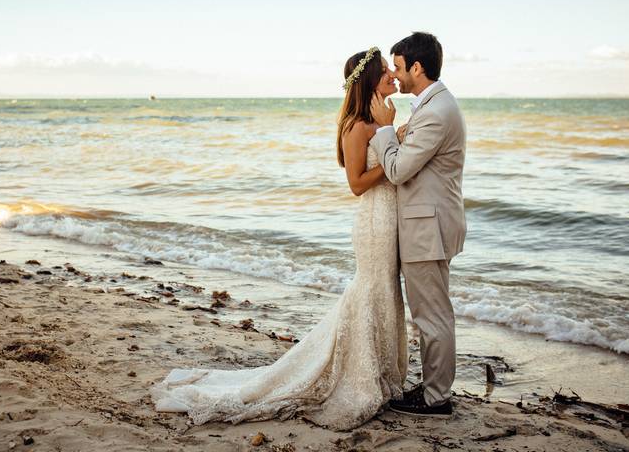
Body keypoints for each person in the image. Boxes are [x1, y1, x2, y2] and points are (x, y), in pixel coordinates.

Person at [150, 46, 408, 431]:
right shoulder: (358, 126)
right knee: (371, 290)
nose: (391, 74)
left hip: (388, 219)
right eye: (384, 69)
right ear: (370, 79)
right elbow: (356, 184)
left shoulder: (380, 121)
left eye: (391, 68)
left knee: (383, 291)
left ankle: (381, 370)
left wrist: (391, 134)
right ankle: (360, 375)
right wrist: (389, 148)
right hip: (374, 222)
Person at [369, 31, 466, 418]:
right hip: (431, 224)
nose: (394, 74)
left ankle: (436, 398)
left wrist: (384, 130)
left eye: (397, 66)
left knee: (432, 315)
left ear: (417, 67)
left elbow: (397, 170)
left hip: (428, 228)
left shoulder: (436, 112)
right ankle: (433, 388)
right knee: (432, 312)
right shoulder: (434, 105)